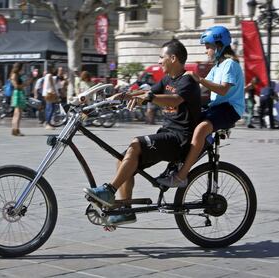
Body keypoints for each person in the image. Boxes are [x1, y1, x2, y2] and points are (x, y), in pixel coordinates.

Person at [83, 39, 201, 225]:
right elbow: (145, 93)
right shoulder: (167, 79)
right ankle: (125, 211)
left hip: (179, 140)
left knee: (136, 143)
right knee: (123, 160)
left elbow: (174, 100)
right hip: (166, 134)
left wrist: (149, 98)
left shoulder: (187, 80)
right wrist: (123, 96)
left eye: (162, 57)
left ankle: (109, 190)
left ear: (173, 58)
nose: (159, 61)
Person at [156, 26, 245, 187]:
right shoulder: (218, 66)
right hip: (216, 108)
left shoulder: (230, 64)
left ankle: (181, 176)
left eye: (208, 47)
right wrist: (184, 91)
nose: (206, 51)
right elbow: (202, 89)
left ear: (219, 45)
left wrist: (199, 78)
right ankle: (175, 166)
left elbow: (223, 90)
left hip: (230, 108)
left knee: (201, 129)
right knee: (188, 124)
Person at [10, 62, 26, 136]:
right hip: (18, 94)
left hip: (18, 93)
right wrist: (24, 85)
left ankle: (14, 130)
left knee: (16, 113)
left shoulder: (16, 74)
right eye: (22, 67)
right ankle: (16, 130)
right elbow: (16, 86)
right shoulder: (15, 75)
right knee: (18, 114)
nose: (23, 68)